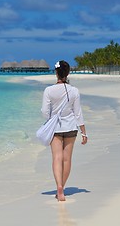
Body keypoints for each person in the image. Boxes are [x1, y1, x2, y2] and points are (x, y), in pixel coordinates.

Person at [41, 60, 88, 201]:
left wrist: (51, 118)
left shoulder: (48, 90)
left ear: (56, 73)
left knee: (57, 158)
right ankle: (62, 187)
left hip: (55, 128)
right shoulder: (74, 91)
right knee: (67, 159)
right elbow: (78, 113)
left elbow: (44, 112)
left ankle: (59, 187)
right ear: (68, 73)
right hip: (71, 128)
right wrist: (84, 132)